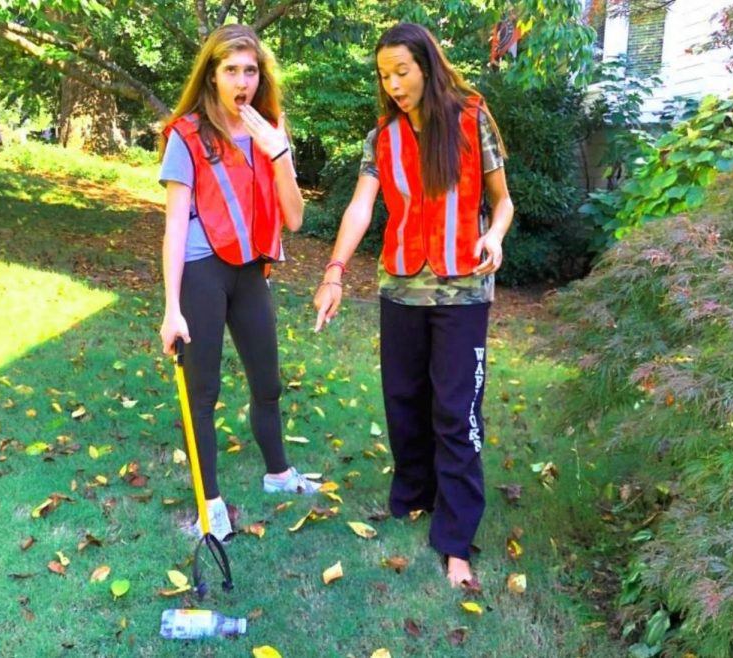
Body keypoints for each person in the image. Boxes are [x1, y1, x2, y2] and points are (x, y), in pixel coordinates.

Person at [314, 23, 514, 586]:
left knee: (456, 410)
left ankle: (455, 539)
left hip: (463, 289)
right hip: (399, 287)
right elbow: (360, 207)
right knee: (403, 400)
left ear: (428, 64)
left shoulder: (473, 119)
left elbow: (502, 203)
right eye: (384, 75)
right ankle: (414, 495)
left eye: (402, 71)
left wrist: (494, 236)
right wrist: (334, 273)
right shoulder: (382, 136)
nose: (394, 84)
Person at [159, 24, 320, 542]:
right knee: (202, 393)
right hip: (202, 273)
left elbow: (294, 218)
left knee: (267, 383)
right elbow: (174, 225)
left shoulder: (271, 130)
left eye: (250, 69)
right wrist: (171, 309)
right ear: (212, 75)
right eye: (231, 69)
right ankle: (211, 505)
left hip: (252, 273)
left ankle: (278, 474)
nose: (242, 79)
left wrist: (279, 154)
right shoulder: (187, 133)